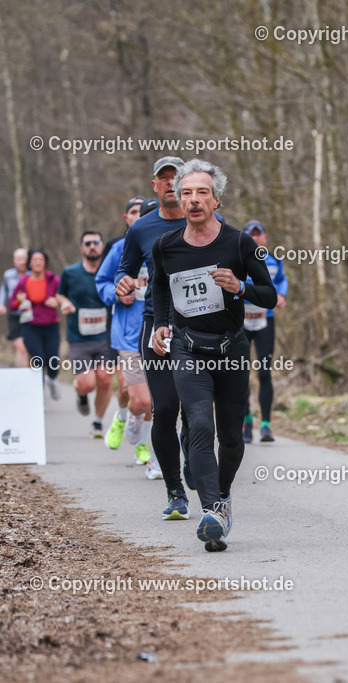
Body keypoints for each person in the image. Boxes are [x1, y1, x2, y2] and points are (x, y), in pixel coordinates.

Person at [150, 158, 276, 551]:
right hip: (188, 349)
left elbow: (269, 295)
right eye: (185, 192)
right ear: (178, 198)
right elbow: (158, 288)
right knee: (199, 425)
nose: (193, 199)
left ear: (216, 199)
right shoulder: (165, 245)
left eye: (201, 192)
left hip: (231, 349)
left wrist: (239, 287)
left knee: (231, 437)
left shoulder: (240, 243)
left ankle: (221, 498)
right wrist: (161, 324)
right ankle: (213, 510)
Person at [115, 156, 193, 518]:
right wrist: (123, 282)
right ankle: (175, 492)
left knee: (195, 410)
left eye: (175, 177)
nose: (169, 183)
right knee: (163, 408)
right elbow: (124, 271)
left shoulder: (207, 223)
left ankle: (195, 456)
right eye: (163, 178)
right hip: (155, 325)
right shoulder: (141, 229)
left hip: (198, 326)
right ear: (155, 186)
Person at [96, 198, 159, 478]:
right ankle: (122, 418)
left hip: (162, 332)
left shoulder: (173, 245)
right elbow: (102, 282)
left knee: (157, 401)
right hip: (128, 335)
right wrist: (117, 294)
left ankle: (145, 449)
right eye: (137, 214)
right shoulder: (120, 249)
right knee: (135, 397)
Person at [56, 231, 115, 438]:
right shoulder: (70, 273)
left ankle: (98, 422)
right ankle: (80, 393)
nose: (92, 246)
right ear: (81, 248)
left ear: (101, 247)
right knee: (87, 384)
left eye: (96, 243)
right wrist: (65, 303)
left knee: (105, 380)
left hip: (104, 337)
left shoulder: (110, 271)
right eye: (87, 243)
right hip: (79, 339)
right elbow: (59, 294)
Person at [240, 220, 287, 443]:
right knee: (239, 373)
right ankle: (246, 420)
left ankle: (266, 424)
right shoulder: (237, 258)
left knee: (264, 372)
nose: (256, 238)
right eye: (251, 235)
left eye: (259, 235)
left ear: (265, 238)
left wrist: (281, 295)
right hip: (240, 322)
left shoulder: (274, 259)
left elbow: (280, 280)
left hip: (264, 321)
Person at [8, 250, 61, 399]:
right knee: (38, 361)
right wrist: (19, 301)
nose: (38, 262)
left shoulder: (53, 280)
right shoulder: (24, 282)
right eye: (35, 260)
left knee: (53, 363)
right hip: (30, 327)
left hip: (51, 326)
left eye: (41, 260)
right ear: (30, 263)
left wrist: (57, 301)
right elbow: (12, 305)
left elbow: (64, 297)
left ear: (45, 262)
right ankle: (39, 399)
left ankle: (51, 381)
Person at [0, 248, 30, 367]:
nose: (22, 262)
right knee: (20, 346)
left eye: (24, 259)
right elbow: (4, 290)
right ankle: (22, 376)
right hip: (14, 315)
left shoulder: (33, 274)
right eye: (19, 259)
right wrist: (1, 304)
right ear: (14, 261)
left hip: (30, 315)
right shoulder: (8, 275)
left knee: (27, 348)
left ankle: (33, 377)